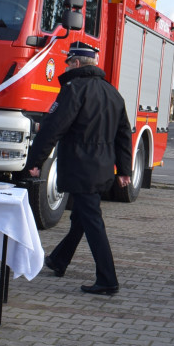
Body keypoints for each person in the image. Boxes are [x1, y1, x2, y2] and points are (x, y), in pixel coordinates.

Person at [26, 41, 133, 296]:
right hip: (102, 169)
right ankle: (59, 260)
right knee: (81, 219)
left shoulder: (74, 90)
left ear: (75, 63)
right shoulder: (112, 93)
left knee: (92, 221)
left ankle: (107, 279)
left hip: (80, 167)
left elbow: (53, 127)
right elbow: (124, 134)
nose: (67, 67)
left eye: (68, 62)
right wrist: (124, 170)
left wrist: (35, 161)